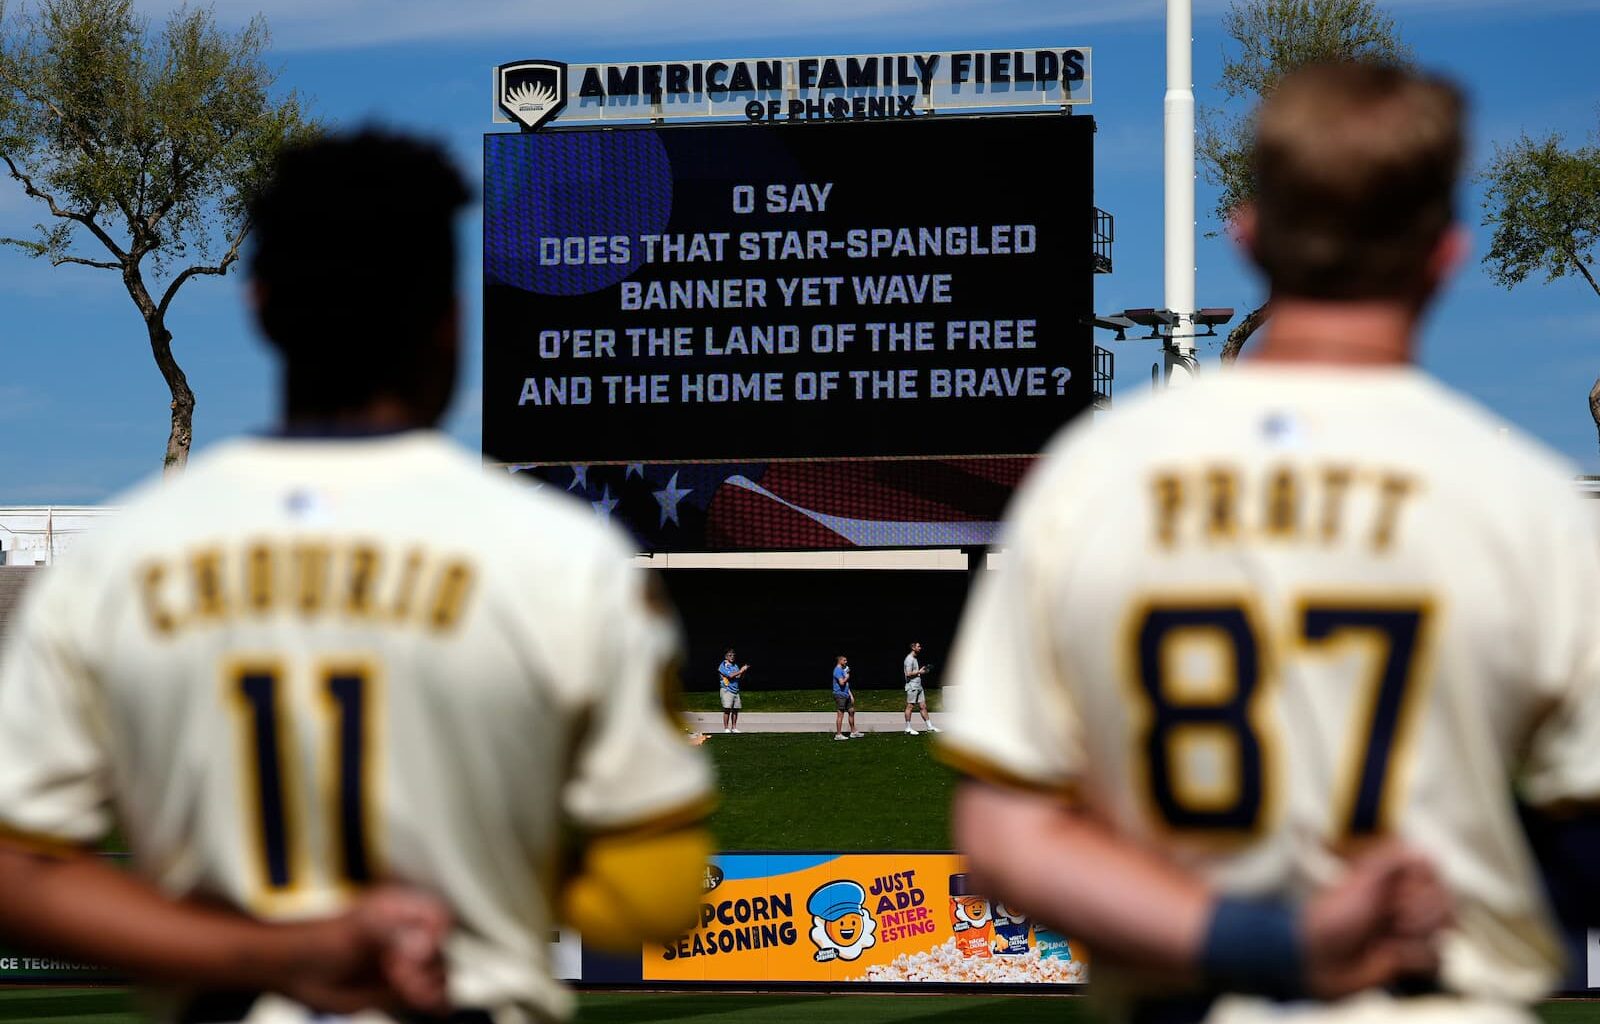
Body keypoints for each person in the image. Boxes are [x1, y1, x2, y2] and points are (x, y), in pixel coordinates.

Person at [0, 130, 715, 1024]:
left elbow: (17, 873)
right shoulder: (569, 560)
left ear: (260, 307)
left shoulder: (113, 565)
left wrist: (283, 951)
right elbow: (656, 888)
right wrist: (483, 887)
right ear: (451, 318)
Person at [942, 62, 1599, 1022]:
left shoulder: (1092, 477)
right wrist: (1460, 893)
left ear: (1249, 235)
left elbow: (1004, 838)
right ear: (1445, 253)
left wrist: (1277, 943)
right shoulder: (1528, 502)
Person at [902, 640, 938, 736]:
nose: (920, 648)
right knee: (910, 706)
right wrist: (919, 672)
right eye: (918, 646)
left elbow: (915, 672)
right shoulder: (909, 659)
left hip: (918, 686)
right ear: (913, 648)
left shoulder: (914, 658)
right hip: (912, 687)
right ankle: (908, 728)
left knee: (923, 706)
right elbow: (908, 674)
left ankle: (930, 727)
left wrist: (922, 671)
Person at [718, 648, 749, 733]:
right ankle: (726, 728)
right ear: (726, 656)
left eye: (733, 655)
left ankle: (734, 727)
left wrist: (743, 672)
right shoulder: (723, 665)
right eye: (730, 655)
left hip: (735, 690)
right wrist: (741, 670)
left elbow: (739, 677)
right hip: (727, 689)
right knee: (727, 709)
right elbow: (730, 676)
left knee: (735, 709)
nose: (732, 657)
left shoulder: (735, 665)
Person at [832, 655, 863, 741]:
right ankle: (838, 734)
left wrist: (850, 695)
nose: (846, 662)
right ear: (840, 661)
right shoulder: (837, 670)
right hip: (840, 694)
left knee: (851, 711)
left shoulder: (842, 670)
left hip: (846, 694)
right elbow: (842, 683)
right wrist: (847, 677)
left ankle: (853, 732)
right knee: (840, 714)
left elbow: (846, 685)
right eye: (844, 660)